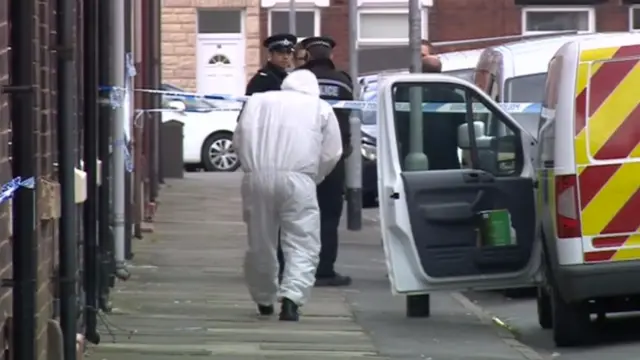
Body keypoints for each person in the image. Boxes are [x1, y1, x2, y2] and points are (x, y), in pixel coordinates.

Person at [233, 69, 343, 321]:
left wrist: (251, 167)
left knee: (261, 241)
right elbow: (332, 151)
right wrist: (314, 177)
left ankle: (263, 298)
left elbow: (238, 139)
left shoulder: (256, 101)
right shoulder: (320, 107)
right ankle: (292, 299)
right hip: (298, 179)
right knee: (302, 240)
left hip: (256, 176)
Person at [299, 36, 354, 287]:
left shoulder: (297, 81)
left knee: (296, 213)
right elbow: (348, 117)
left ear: (308, 56)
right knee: (329, 215)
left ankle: (295, 267)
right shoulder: (343, 81)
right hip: (334, 157)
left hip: (301, 156)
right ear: (330, 55)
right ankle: (324, 270)